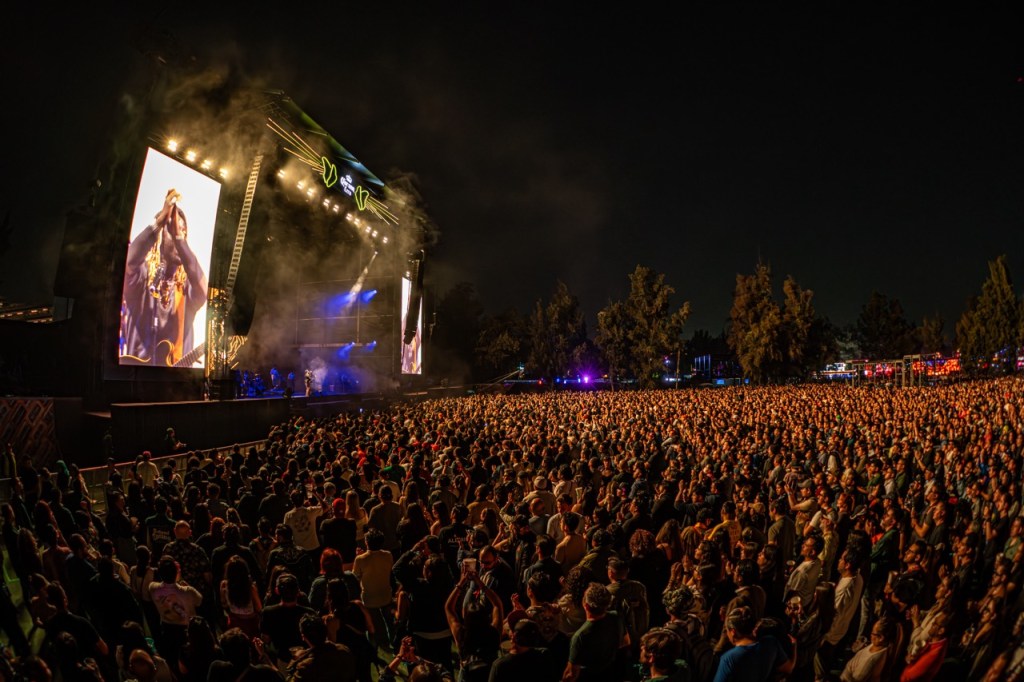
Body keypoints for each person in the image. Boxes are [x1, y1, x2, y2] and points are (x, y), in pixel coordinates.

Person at [120, 188, 209, 367]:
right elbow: (129, 263)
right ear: (160, 236)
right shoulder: (141, 278)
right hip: (136, 380)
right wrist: (159, 222)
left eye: (183, 231)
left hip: (177, 385)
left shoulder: (187, 289)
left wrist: (178, 238)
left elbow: (204, 290)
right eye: (173, 228)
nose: (180, 234)